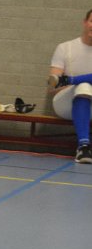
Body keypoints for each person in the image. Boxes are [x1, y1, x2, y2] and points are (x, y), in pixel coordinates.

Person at [49, 9, 92, 164]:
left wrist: (70, 80)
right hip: (65, 104)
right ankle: (83, 147)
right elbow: (53, 86)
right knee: (84, 87)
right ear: (85, 22)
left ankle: (71, 80)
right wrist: (77, 86)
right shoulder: (65, 48)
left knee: (84, 85)